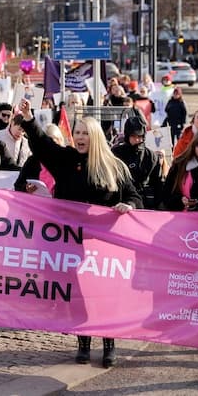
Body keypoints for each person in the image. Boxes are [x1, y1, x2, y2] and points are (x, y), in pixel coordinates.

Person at [18, 98, 142, 367]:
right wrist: (29, 119)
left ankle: (109, 344)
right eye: (77, 133)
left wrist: (127, 205)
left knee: (104, 295)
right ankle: (83, 343)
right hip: (73, 242)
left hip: (105, 245)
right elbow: (43, 145)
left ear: (95, 136)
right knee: (79, 294)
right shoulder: (66, 160)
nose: (80, 137)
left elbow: (135, 197)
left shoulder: (114, 166)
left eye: (85, 133)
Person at [111, 117, 165, 210]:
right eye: (133, 136)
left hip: (144, 206)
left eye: (140, 136)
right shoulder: (115, 153)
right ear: (127, 136)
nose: (137, 140)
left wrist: (160, 206)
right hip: (120, 205)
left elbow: (159, 184)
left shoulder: (151, 156)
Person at [14, 123, 64, 194]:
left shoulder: (66, 161)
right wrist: (26, 188)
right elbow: (18, 185)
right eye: (47, 141)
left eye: (53, 141)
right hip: (36, 203)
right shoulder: (32, 161)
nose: (50, 145)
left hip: (59, 204)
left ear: (60, 141)